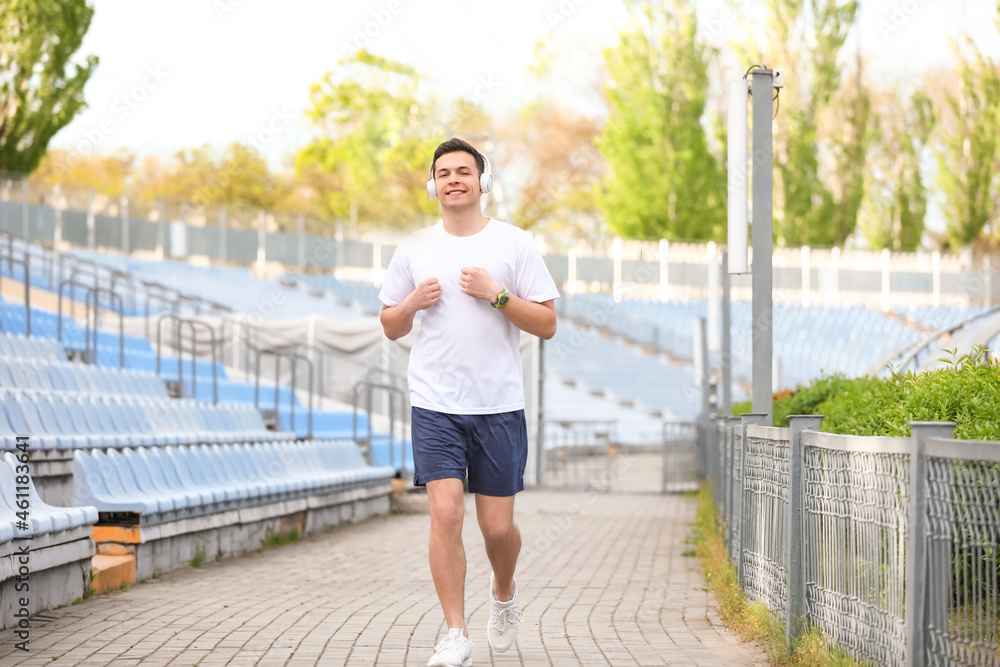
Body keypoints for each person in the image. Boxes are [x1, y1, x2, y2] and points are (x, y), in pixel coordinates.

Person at [378, 137, 558, 667]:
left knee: (497, 528)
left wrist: (497, 295)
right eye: (444, 172)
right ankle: (455, 632)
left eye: (464, 170)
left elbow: (547, 323)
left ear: (483, 182)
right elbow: (390, 325)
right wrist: (411, 302)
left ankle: (503, 592)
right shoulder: (413, 248)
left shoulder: (514, 244)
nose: (454, 178)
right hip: (434, 404)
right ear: (433, 185)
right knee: (446, 512)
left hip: (499, 405)